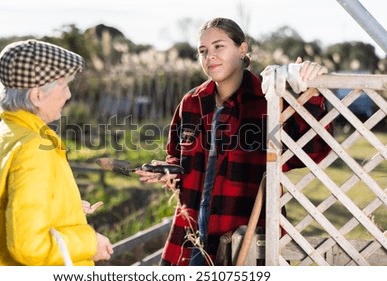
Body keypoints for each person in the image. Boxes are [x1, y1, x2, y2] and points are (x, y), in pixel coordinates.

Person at [135, 18, 332, 266]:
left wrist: (311, 93)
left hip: (244, 237)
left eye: (219, 47)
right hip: (191, 233)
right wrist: (170, 170)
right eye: (203, 51)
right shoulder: (191, 102)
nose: (210, 57)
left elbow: (311, 152)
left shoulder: (269, 100)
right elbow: (176, 154)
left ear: (242, 49)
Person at [0, 39, 113, 266]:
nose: (68, 95)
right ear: (37, 96)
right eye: (64, 85)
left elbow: (8, 208)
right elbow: (29, 246)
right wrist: (90, 242)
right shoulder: (34, 148)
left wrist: (68, 207)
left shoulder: (2, 134)